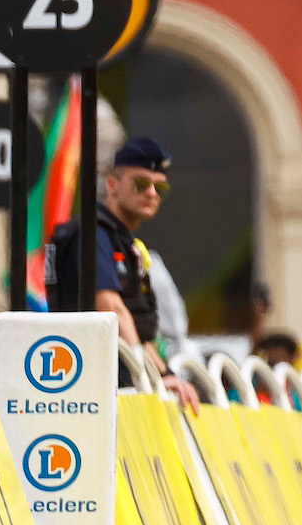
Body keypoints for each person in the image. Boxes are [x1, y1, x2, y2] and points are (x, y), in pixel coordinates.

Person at [48, 137, 198, 405]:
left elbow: (139, 327)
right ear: (113, 185)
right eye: (141, 183)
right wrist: (144, 372)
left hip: (115, 384)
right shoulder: (92, 234)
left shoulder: (123, 242)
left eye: (159, 187)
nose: (151, 192)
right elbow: (111, 307)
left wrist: (165, 374)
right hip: (88, 387)